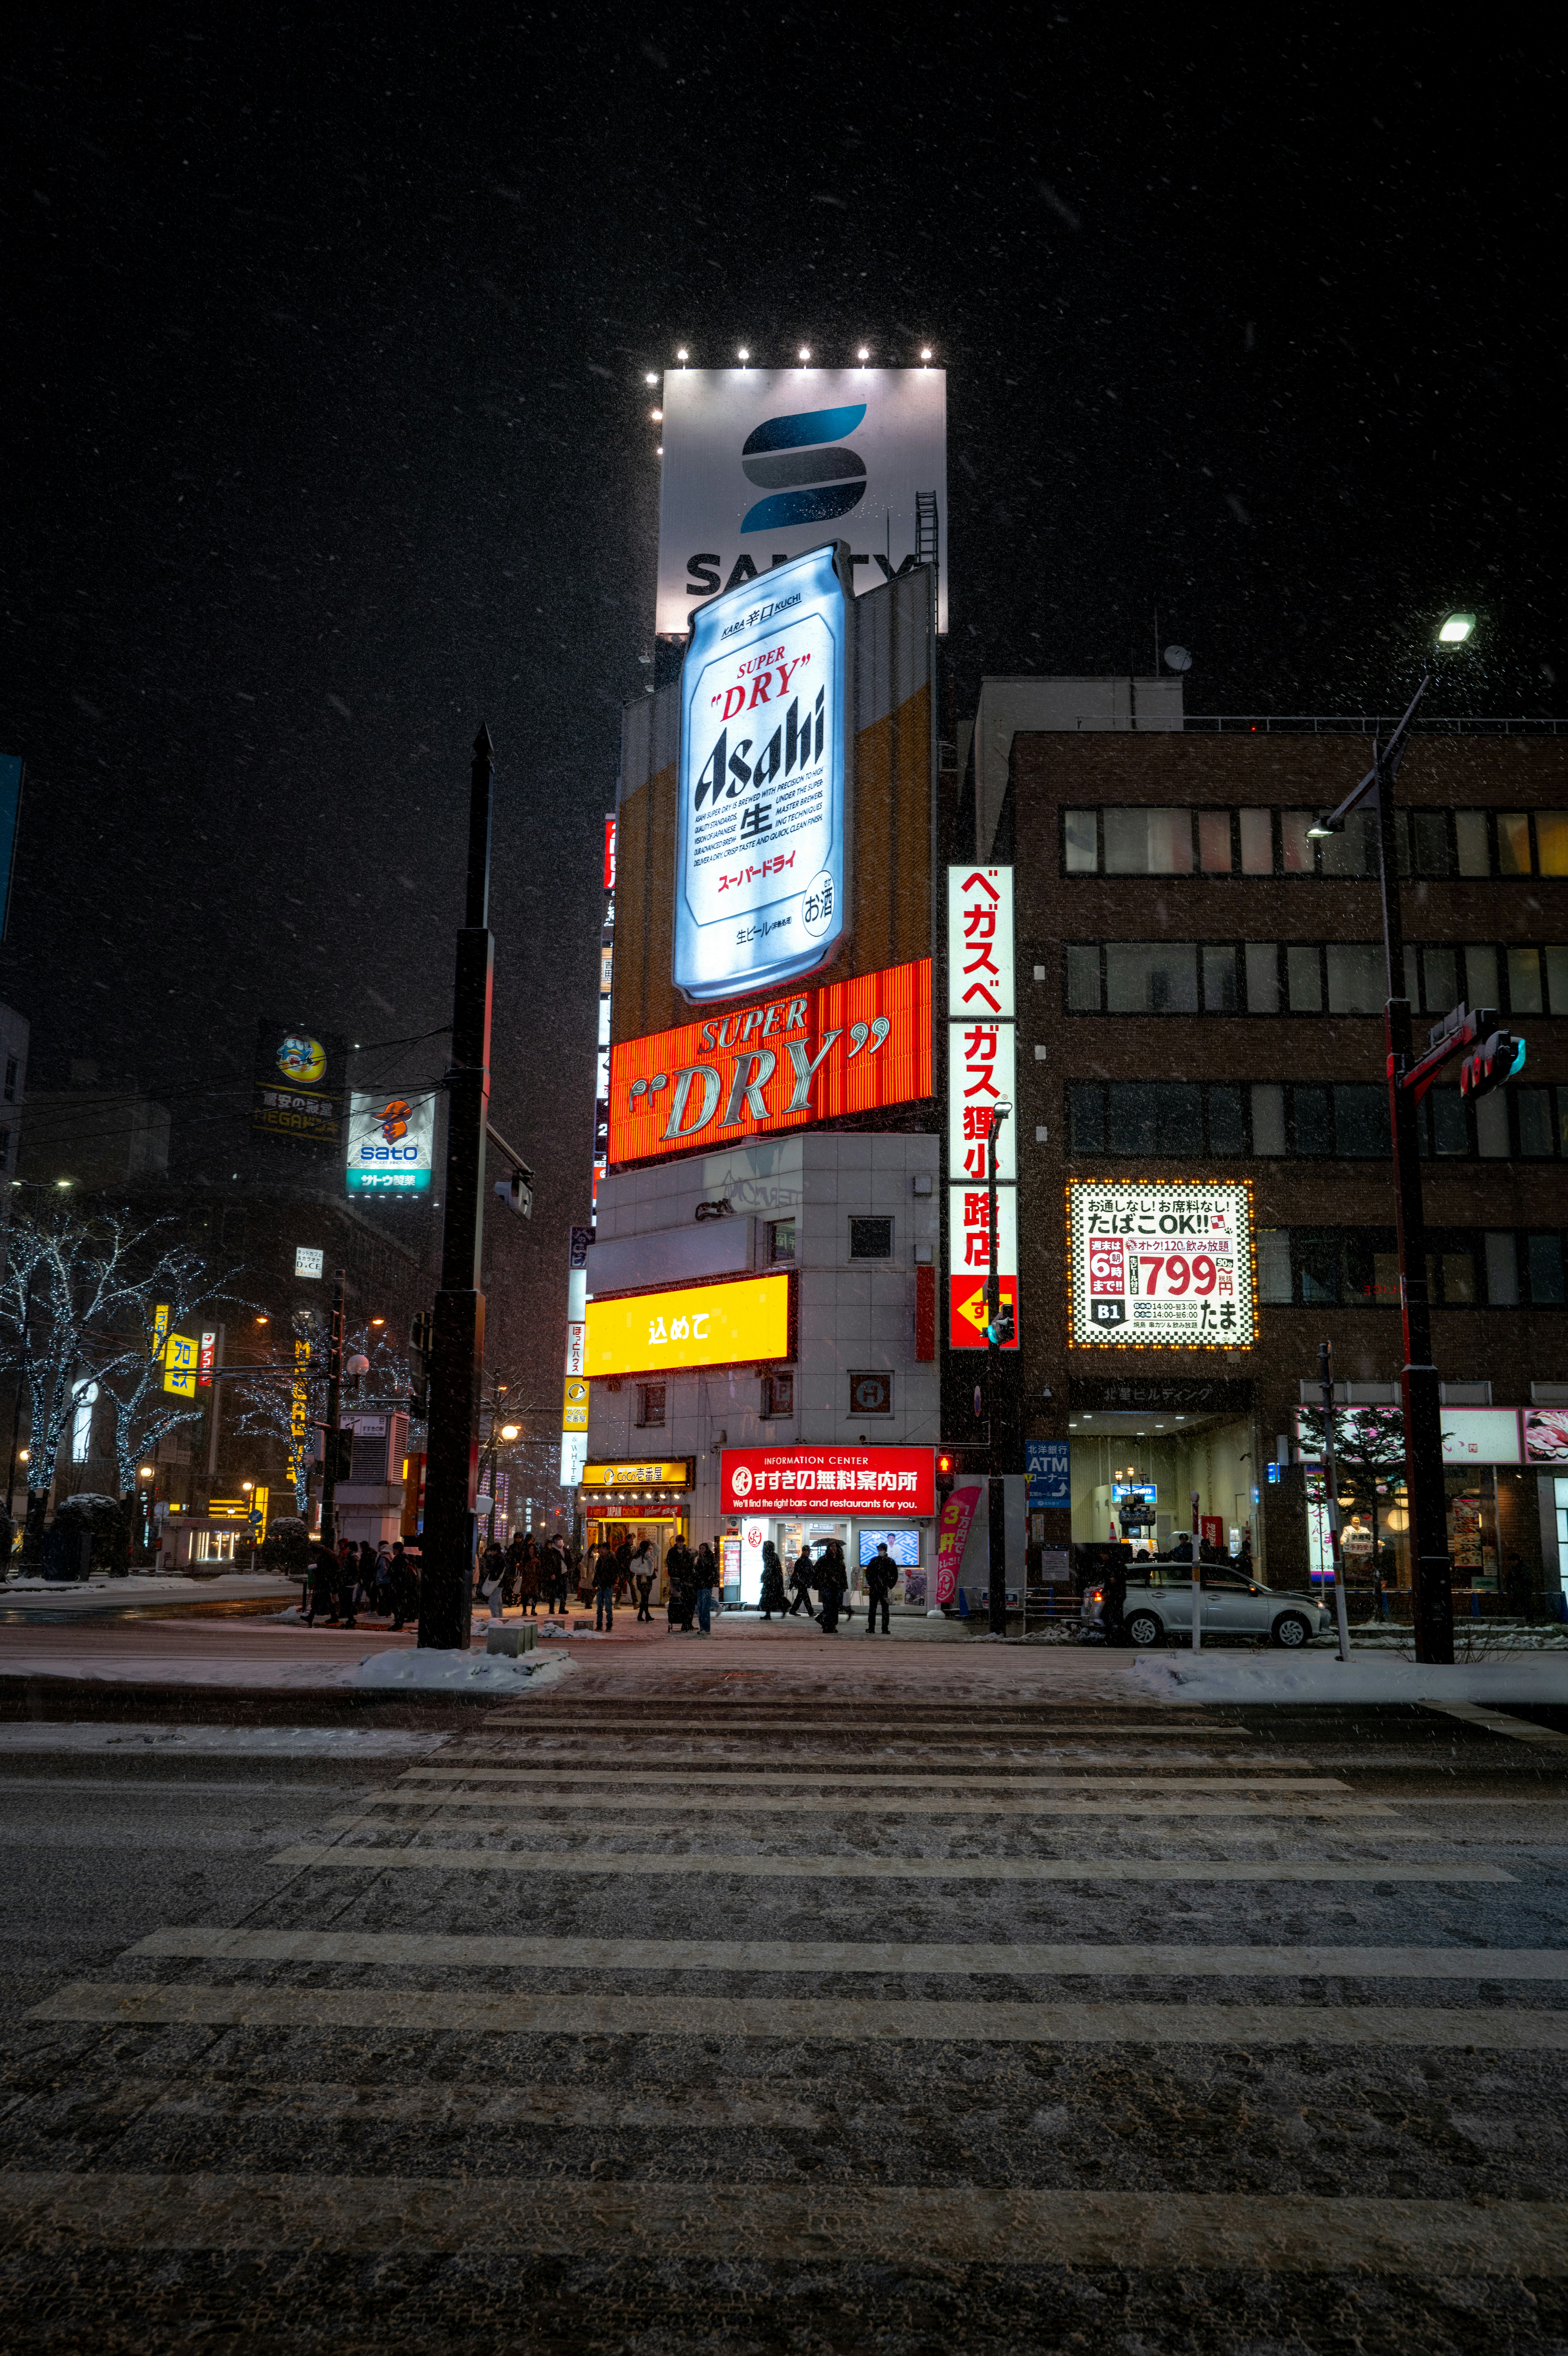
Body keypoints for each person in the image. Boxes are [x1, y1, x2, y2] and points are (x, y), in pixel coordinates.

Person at [864, 1542, 897, 1636]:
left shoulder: (891, 1562)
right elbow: (868, 1574)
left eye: (881, 1549)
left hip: (886, 1590)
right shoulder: (874, 1560)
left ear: (885, 1551)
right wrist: (873, 1584)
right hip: (874, 1589)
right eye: (879, 1550)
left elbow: (895, 1575)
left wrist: (890, 1586)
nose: (880, 1551)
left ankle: (885, 1629)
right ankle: (871, 1629)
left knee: (886, 1610)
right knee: (872, 1609)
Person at [665, 1536, 697, 1632]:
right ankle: (680, 1620)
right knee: (677, 1601)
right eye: (679, 1542)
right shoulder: (672, 1551)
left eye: (682, 1542)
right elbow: (669, 1563)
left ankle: (686, 1623)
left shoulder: (687, 1551)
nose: (681, 1544)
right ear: (677, 1542)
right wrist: (677, 1569)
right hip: (676, 1578)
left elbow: (690, 1562)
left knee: (685, 1602)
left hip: (684, 1579)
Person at [303, 1542, 338, 1627]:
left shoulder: (324, 1560)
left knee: (323, 1602)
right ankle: (311, 1617)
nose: (316, 1555)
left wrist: (317, 1572)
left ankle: (312, 1617)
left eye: (317, 1554)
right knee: (319, 1602)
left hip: (323, 1584)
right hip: (323, 1584)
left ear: (321, 1553)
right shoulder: (324, 1559)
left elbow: (325, 1573)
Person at [817, 1541, 846, 1635]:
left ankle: (833, 1625)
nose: (835, 1548)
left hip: (837, 1588)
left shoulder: (839, 1560)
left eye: (836, 1547)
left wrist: (844, 1585)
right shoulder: (824, 1559)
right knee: (828, 1608)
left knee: (835, 1608)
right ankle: (827, 1626)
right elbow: (817, 1571)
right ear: (829, 1548)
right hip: (828, 1587)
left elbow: (843, 1574)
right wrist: (823, 1580)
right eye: (833, 1546)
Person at [389, 1539, 417, 1630]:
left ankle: (399, 1623)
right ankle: (401, 1621)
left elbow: (395, 1573)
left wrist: (395, 1583)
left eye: (394, 1549)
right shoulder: (407, 1558)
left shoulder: (398, 1559)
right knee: (402, 1604)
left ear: (397, 1550)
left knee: (397, 1605)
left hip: (399, 1586)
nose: (393, 1551)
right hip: (405, 1586)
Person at [1101, 1557, 1127, 1644]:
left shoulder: (1113, 1566)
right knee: (1116, 1615)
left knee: (1111, 1615)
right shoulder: (1115, 1566)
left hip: (1115, 1596)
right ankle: (1117, 1635)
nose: (1102, 1556)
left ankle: (1114, 1635)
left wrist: (1109, 1589)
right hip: (1115, 1596)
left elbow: (1114, 1580)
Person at [693, 1539, 717, 1636]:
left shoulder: (710, 1558)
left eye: (703, 1548)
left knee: (705, 1608)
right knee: (700, 1608)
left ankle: (706, 1628)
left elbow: (712, 1572)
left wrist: (707, 1579)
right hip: (701, 1586)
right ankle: (703, 1628)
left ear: (707, 1549)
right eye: (701, 1549)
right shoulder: (699, 1559)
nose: (702, 1550)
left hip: (707, 1586)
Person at [478, 1536, 506, 1620]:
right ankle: (500, 1619)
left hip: (496, 1584)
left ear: (496, 1551)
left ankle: (496, 1620)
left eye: (492, 1551)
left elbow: (492, 1571)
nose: (491, 1553)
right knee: (498, 1603)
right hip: (500, 1583)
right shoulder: (501, 1559)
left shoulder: (497, 1559)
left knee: (493, 1603)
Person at [593, 1540, 618, 1631]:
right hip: (600, 1586)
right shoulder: (600, 1559)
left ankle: (609, 1625)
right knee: (599, 1607)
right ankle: (599, 1625)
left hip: (608, 1586)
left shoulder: (613, 1559)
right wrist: (595, 1584)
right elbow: (597, 1573)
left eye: (604, 1549)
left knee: (608, 1607)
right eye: (602, 1549)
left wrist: (611, 1582)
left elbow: (615, 1573)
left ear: (608, 1550)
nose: (602, 1550)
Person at [759, 1540, 787, 1621]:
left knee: (770, 1597)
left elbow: (770, 1568)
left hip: (771, 1580)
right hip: (773, 1580)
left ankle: (771, 1613)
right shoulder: (772, 1555)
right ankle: (772, 1612)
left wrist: (766, 1576)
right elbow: (774, 1569)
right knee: (772, 1597)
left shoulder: (769, 1556)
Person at [633, 1538, 657, 1622]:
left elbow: (658, 1550)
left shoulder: (649, 1556)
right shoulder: (639, 1557)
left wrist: (654, 1543)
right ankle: (647, 1615)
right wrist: (643, 1571)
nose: (650, 1547)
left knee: (645, 1598)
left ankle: (641, 1616)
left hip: (649, 1578)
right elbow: (632, 1568)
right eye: (649, 1546)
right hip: (642, 1579)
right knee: (645, 1598)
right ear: (646, 1547)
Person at [786, 1546, 815, 1618]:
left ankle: (793, 1610)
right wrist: (794, 1582)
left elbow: (811, 1572)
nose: (809, 1553)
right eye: (807, 1551)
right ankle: (811, 1612)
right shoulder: (800, 1561)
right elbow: (796, 1573)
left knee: (800, 1597)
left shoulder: (808, 1561)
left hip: (805, 1582)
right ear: (804, 1552)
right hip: (801, 1582)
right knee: (806, 1597)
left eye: (809, 1552)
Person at [518, 1538, 541, 1617]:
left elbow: (540, 1569)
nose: (531, 1550)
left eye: (533, 1549)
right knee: (525, 1596)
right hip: (527, 1580)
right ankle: (524, 1611)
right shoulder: (524, 1558)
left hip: (535, 1580)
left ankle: (533, 1610)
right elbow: (520, 1567)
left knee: (536, 1595)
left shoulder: (537, 1558)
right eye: (530, 1549)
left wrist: (539, 1566)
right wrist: (524, 1569)